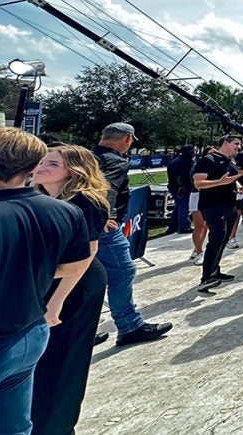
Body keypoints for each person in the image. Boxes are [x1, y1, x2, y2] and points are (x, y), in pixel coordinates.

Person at [0, 128, 91, 434]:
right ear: (31, 166)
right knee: (15, 426)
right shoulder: (65, 211)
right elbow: (77, 264)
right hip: (29, 331)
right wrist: (27, 268)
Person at [30, 144, 111, 434]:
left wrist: (56, 302)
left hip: (74, 287)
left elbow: (86, 254)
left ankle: (56, 426)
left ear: (73, 171)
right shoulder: (40, 198)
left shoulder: (85, 201)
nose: (41, 167)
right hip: (48, 284)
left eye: (52, 164)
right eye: (41, 162)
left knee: (63, 361)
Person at [91, 123, 173, 345]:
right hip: (102, 229)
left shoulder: (87, 157)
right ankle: (130, 326)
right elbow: (106, 188)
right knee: (123, 272)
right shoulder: (115, 161)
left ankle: (81, 329)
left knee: (84, 277)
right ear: (127, 140)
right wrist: (102, 217)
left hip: (81, 225)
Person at [193, 135, 243, 292]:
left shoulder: (230, 161)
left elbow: (231, 177)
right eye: (236, 144)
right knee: (216, 239)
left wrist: (238, 185)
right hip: (213, 206)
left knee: (223, 239)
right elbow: (198, 183)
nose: (238, 147)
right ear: (225, 143)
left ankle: (215, 271)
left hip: (230, 205)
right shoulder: (208, 160)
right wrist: (219, 183)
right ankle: (207, 277)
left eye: (239, 144)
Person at [166, 145, 196, 235]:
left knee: (179, 206)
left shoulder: (175, 160)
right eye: (192, 151)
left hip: (173, 187)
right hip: (181, 188)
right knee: (184, 206)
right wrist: (181, 187)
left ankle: (173, 226)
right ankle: (184, 226)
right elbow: (179, 176)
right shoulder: (185, 162)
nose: (193, 153)